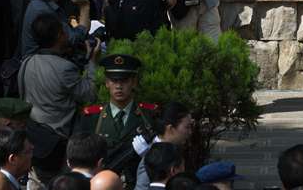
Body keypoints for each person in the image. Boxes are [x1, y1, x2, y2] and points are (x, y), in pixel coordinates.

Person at [19, 14, 100, 186]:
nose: (67, 35)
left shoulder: (27, 62)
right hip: (58, 141)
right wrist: (92, 62)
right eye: (65, 32)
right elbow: (90, 94)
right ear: (58, 36)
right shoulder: (64, 68)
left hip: (33, 135)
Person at [78, 55, 157, 190]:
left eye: (124, 81)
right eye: (114, 81)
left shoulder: (149, 115)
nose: (119, 86)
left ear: (134, 82)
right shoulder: (93, 117)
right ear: (107, 82)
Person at [134, 102, 193, 190]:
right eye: (187, 127)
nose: (190, 132)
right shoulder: (151, 159)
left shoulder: (176, 151)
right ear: (170, 128)